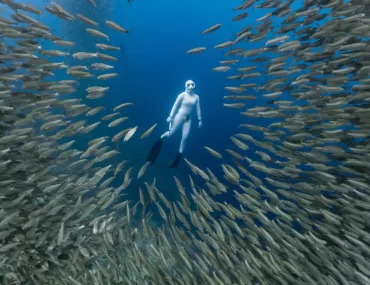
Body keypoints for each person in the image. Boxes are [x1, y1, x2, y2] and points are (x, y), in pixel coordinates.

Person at [146, 80, 202, 168]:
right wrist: (171, 116)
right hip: (180, 116)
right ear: (185, 86)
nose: (191, 86)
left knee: (185, 137)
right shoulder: (182, 95)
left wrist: (200, 119)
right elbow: (175, 105)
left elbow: (198, 108)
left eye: (192, 85)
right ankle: (161, 138)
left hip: (188, 119)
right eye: (189, 84)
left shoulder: (196, 97)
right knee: (171, 133)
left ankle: (178, 156)